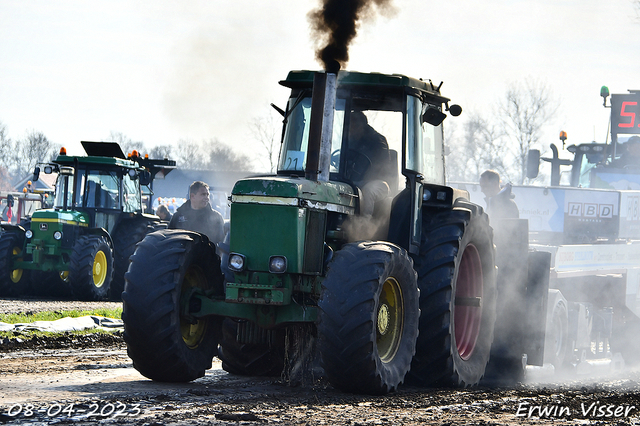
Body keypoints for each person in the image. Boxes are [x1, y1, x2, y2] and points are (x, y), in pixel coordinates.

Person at [348, 111, 391, 217]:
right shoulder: (348, 140)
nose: (351, 130)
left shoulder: (378, 141)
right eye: (350, 126)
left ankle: (364, 224)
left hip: (378, 181)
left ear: (362, 126)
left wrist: (361, 170)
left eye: (354, 126)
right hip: (353, 180)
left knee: (369, 191)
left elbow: (381, 166)